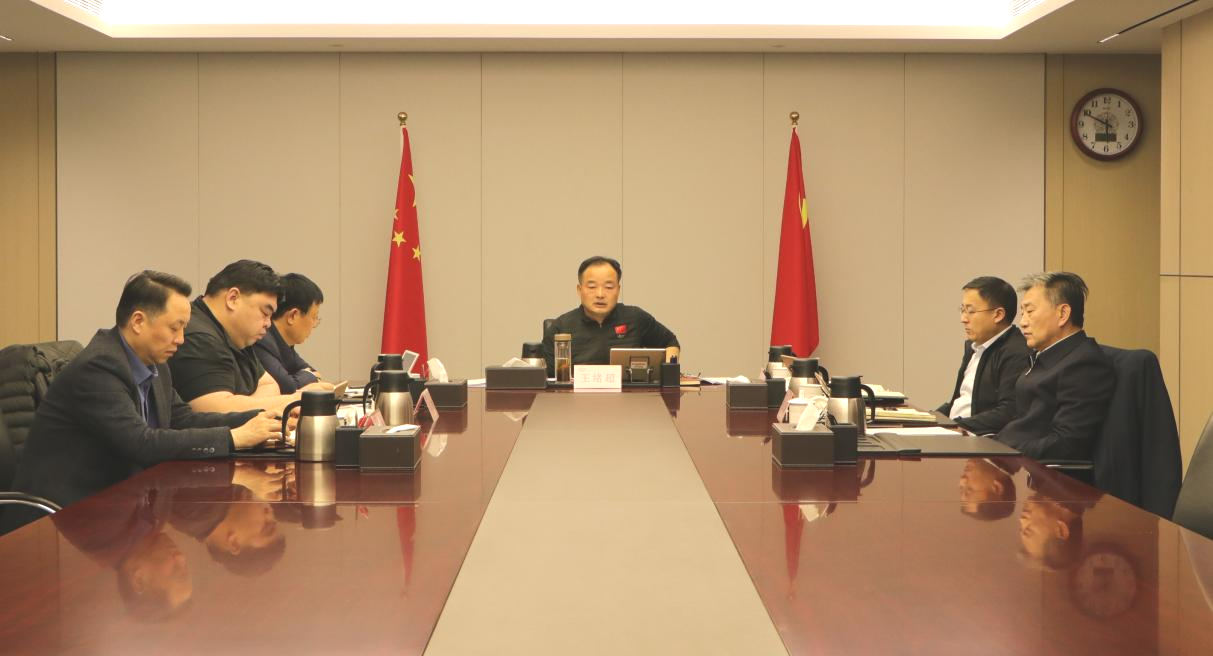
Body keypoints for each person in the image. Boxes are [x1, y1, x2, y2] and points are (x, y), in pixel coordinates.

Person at [11, 271, 281, 511]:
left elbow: (182, 418)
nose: (181, 339)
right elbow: (141, 444)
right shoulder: (100, 367)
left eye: (184, 328)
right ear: (138, 321)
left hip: (121, 502)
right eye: (174, 328)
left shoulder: (154, 361)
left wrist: (260, 421)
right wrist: (234, 438)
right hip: (68, 514)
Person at [995, 272, 1115, 461]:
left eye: (1030, 312)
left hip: (1035, 471)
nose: (1023, 322)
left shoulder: (1084, 364)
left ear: (1063, 314)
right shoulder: (1046, 356)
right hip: (1010, 457)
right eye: (1022, 313)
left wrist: (1005, 451)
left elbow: (1067, 444)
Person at [169, 260, 309, 415]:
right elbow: (216, 411)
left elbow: (270, 385)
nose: (268, 324)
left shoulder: (238, 337)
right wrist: (291, 400)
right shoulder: (199, 338)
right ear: (233, 298)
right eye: (265, 313)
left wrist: (240, 403)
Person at [541, 256, 680, 375]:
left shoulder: (635, 318)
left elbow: (670, 342)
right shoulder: (560, 328)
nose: (600, 294)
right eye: (592, 287)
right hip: (577, 397)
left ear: (618, 290)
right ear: (579, 290)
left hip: (629, 397)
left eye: (608, 287)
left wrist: (669, 375)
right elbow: (547, 379)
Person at [937, 276, 1032, 435]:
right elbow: (957, 402)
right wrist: (927, 419)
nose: (963, 319)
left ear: (998, 315)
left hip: (979, 437)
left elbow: (1008, 412)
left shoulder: (1016, 352)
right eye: (962, 310)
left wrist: (953, 426)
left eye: (970, 311)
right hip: (958, 431)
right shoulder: (973, 347)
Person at [254, 273, 332, 394]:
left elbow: (314, 373)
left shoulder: (284, 344)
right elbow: (288, 387)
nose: (314, 324)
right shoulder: (262, 340)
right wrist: (307, 377)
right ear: (293, 315)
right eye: (314, 317)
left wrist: (305, 376)